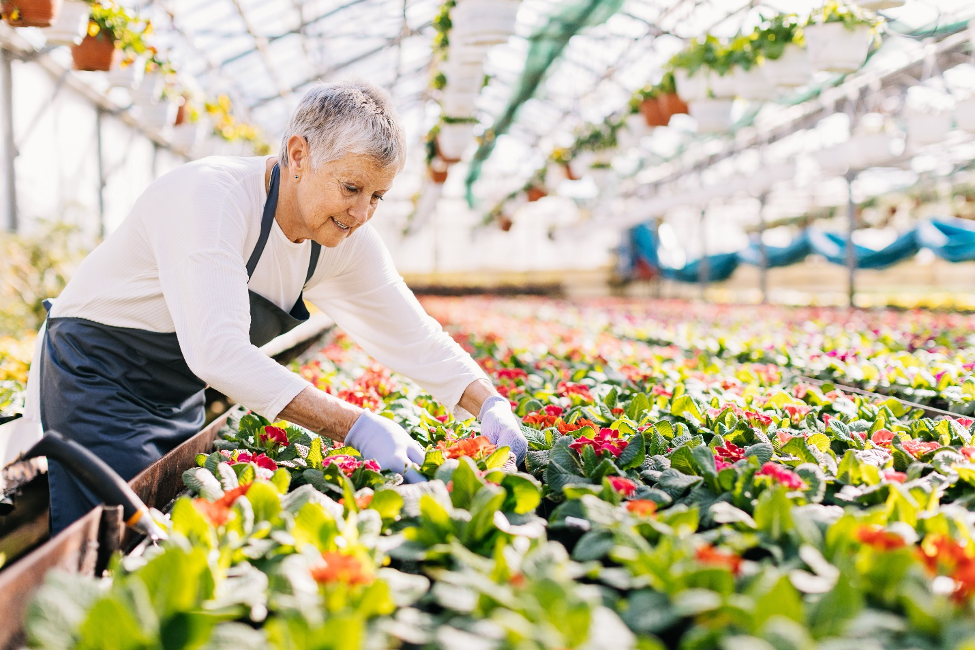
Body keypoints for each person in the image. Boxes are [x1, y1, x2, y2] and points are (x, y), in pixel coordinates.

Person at [21, 80, 527, 534]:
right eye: (351, 188)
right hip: (97, 377)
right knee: (118, 534)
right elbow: (217, 353)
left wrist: (489, 404)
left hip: (176, 392)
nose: (361, 213)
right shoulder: (210, 199)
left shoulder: (346, 238)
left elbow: (412, 333)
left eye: (378, 196)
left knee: (167, 522)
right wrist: (357, 426)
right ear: (299, 155)